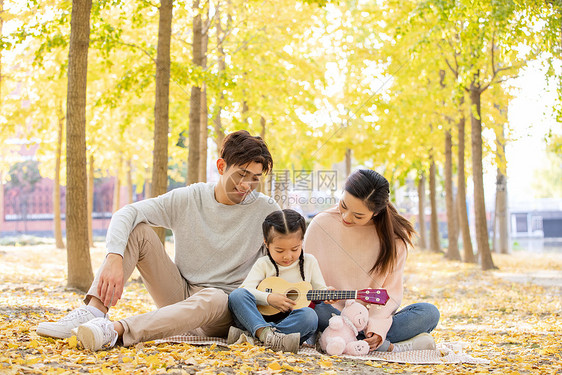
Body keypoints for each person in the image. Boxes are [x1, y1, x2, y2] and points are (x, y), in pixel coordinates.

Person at [36, 130, 280, 351]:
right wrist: (114, 256)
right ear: (221, 166)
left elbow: (288, 254)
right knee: (139, 231)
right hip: (180, 293)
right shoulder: (190, 198)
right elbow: (127, 213)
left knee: (214, 297)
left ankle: (114, 331)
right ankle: (92, 311)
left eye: (255, 178)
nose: (247, 185)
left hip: (224, 308)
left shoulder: (266, 210)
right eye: (241, 174)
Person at [304, 169, 440, 353]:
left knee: (429, 313)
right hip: (331, 314)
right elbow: (303, 276)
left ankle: (343, 340)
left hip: (368, 318)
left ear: (376, 213)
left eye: (358, 216)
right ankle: (391, 347)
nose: (346, 217)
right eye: (343, 205)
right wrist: (320, 291)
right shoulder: (321, 225)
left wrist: (377, 328)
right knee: (313, 312)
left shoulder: (394, 240)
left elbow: (390, 293)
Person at [227, 209, 329, 353]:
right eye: (280, 251)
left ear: (302, 242)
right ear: (266, 243)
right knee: (237, 295)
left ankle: (255, 337)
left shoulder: (309, 262)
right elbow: (245, 289)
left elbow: (320, 291)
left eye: (295, 249)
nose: (288, 256)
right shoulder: (263, 264)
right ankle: (267, 335)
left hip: (289, 322)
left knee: (310, 316)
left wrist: (328, 294)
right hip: (258, 319)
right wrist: (269, 298)